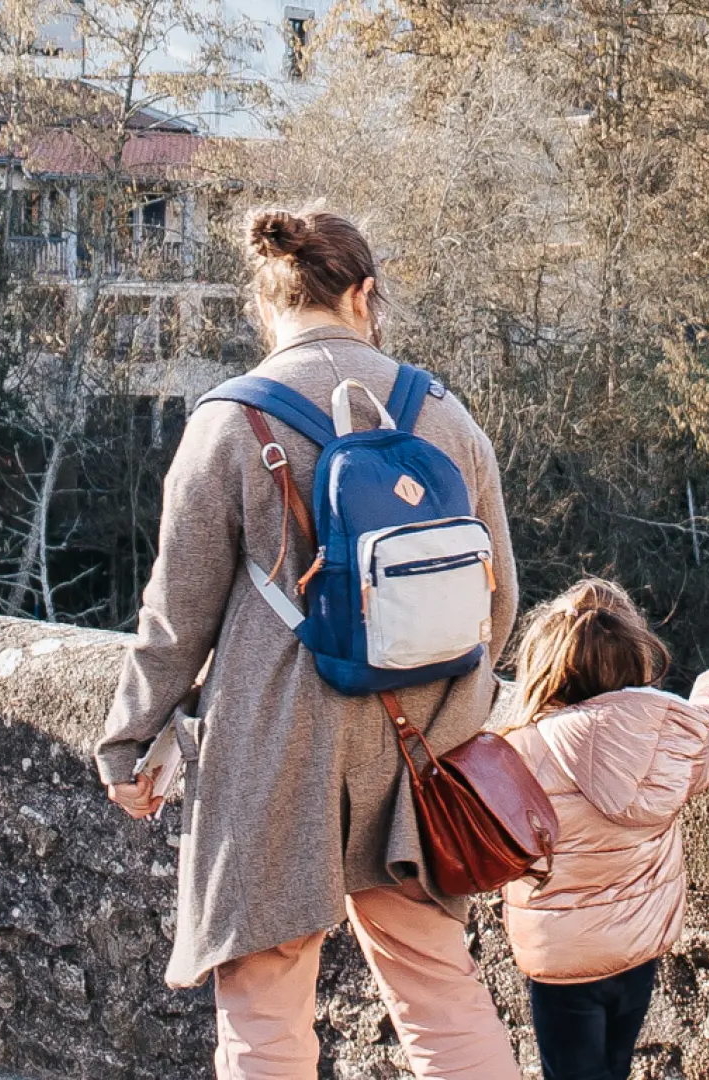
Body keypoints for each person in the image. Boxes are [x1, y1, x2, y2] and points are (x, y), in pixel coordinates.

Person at [96, 206, 523, 1080]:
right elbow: (499, 602)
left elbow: (178, 616)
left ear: (266, 303)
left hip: (277, 743)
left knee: (265, 1000)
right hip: (424, 741)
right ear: (364, 296)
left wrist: (130, 739)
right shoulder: (446, 416)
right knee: (438, 989)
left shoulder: (226, 425)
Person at [498, 580, 709, 1080]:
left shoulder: (520, 750)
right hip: (637, 950)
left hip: (563, 960)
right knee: (615, 1068)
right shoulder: (673, 744)